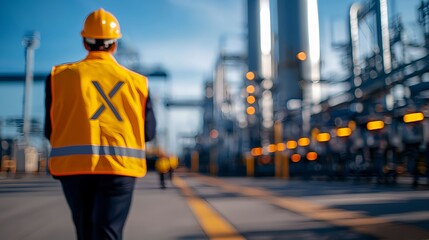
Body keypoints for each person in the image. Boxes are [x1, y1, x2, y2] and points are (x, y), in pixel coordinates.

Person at [44, 8, 156, 240]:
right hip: (119, 168)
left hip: (73, 169)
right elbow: (148, 133)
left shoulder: (58, 77)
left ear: (85, 42)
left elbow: (50, 129)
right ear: (114, 45)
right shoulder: (138, 83)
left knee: (85, 232)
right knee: (108, 233)